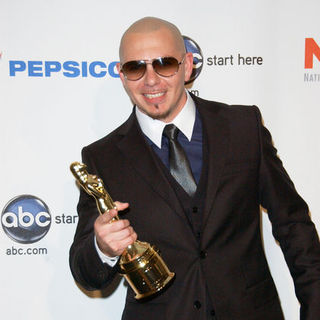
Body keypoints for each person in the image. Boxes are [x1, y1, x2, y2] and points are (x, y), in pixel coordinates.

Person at [69, 17, 320, 320]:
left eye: (164, 64)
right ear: (122, 75)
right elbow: (86, 273)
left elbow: (294, 226)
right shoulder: (102, 157)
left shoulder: (243, 128)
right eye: (136, 67)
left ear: (187, 66)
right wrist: (102, 248)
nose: (151, 80)